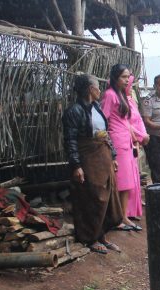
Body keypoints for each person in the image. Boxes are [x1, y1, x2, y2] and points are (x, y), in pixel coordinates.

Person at [62, 73, 122, 254]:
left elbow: (105, 134)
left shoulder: (97, 107)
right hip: (88, 158)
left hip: (102, 157)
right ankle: (90, 237)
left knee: (107, 196)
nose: (100, 90)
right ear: (90, 89)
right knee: (93, 196)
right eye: (97, 87)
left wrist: (112, 156)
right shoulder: (74, 112)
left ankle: (101, 235)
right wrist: (76, 165)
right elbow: (70, 140)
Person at [102, 64, 149, 232]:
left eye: (128, 77)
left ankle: (124, 216)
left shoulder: (121, 95)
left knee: (128, 182)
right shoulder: (109, 95)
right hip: (117, 141)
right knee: (121, 182)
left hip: (127, 142)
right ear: (115, 78)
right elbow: (104, 119)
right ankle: (117, 218)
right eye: (123, 77)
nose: (126, 80)